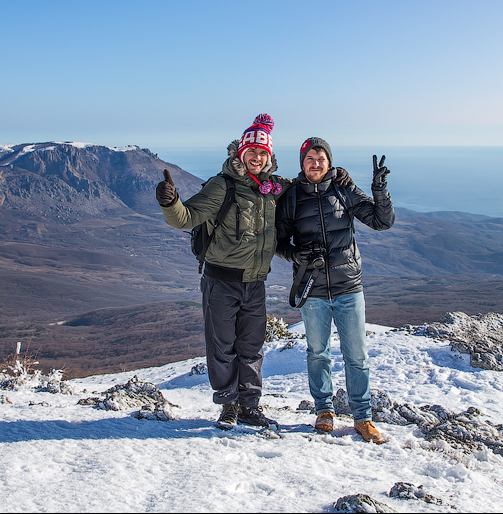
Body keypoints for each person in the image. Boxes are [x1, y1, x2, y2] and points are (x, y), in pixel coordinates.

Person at [156, 116, 350, 431]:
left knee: (251, 348)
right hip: (221, 282)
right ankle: (228, 406)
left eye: (262, 152)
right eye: (251, 151)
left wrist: (336, 174)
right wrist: (170, 201)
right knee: (222, 347)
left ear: (269, 157)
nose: (257, 158)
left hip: (255, 284)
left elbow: (309, 182)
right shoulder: (223, 186)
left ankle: (249, 406)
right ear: (241, 153)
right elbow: (185, 218)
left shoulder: (274, 189)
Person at [275, 137, 395, 443]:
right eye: (310, 159)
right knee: (318, 354)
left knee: (357, 355)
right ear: (302, 164)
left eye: (321, 159)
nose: (315, 164)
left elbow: (382, 221)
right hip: (312, 289)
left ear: (329, 162)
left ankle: (363, 418)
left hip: (348, 286)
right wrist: (295, 256)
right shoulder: (291, 198)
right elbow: (278, 242)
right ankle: (324, 411)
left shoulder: (344, 189)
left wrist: (379, 189)